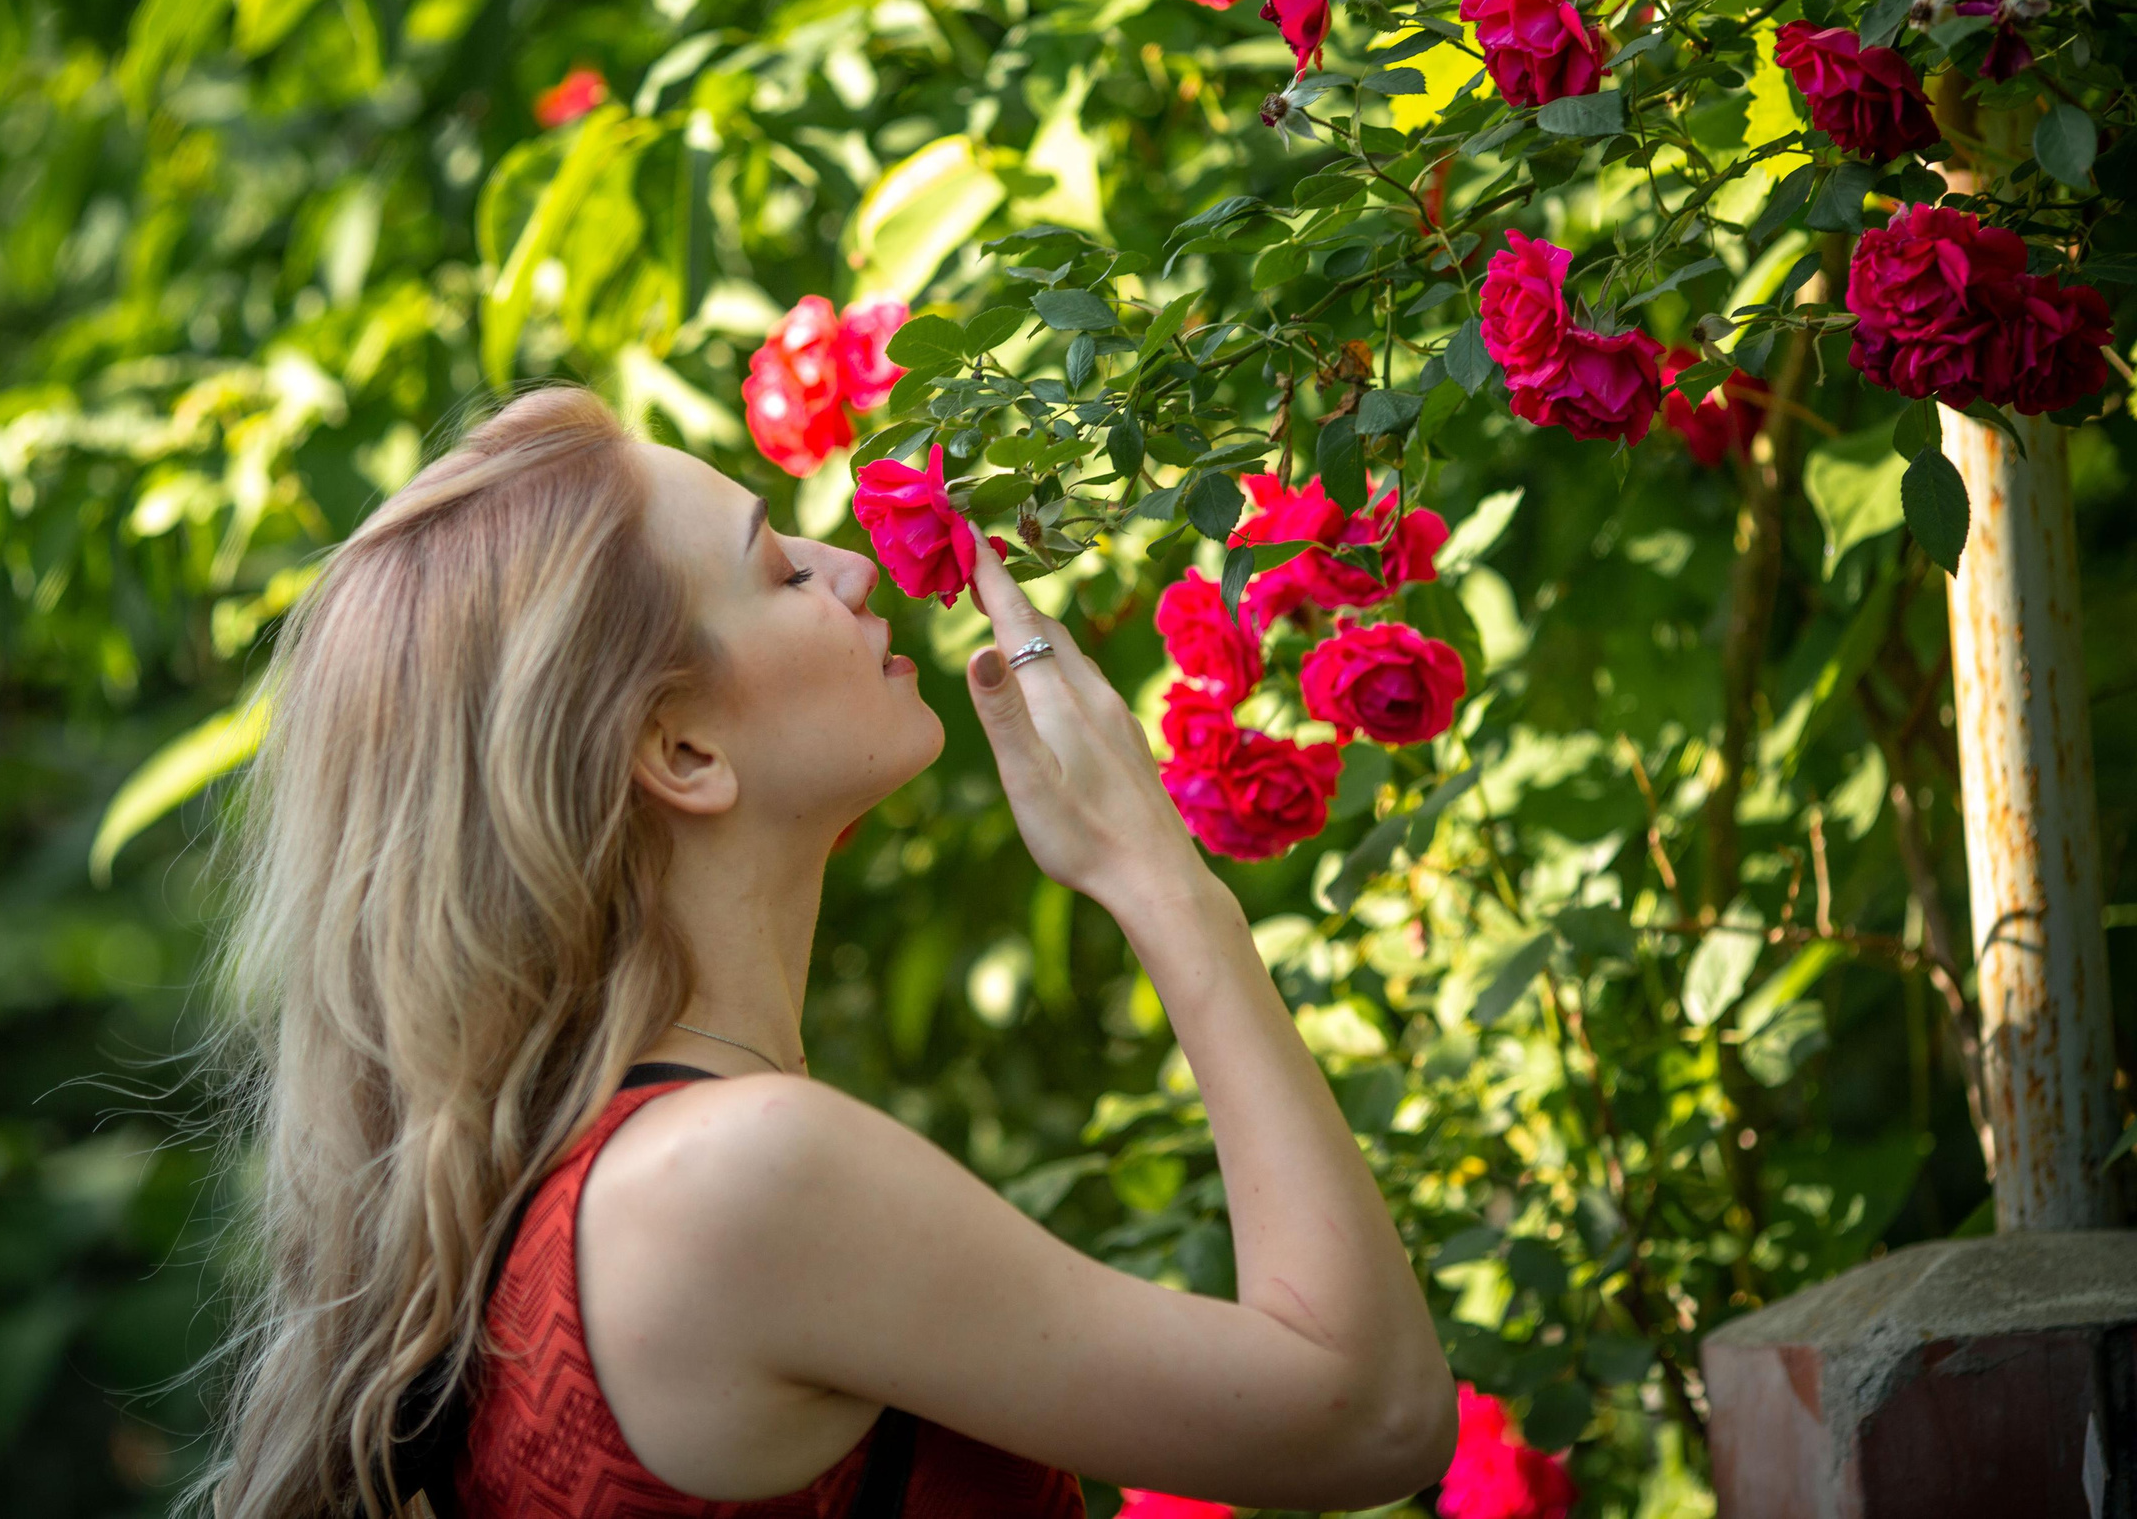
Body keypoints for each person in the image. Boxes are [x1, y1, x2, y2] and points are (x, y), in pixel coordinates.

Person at [202, 387, 1456, 1519]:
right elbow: (1372, 1415)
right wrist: (1161, 879)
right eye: (778, 571)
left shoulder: (575, 1200)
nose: (851, 567)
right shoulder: (733, 1178)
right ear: (681, 753)